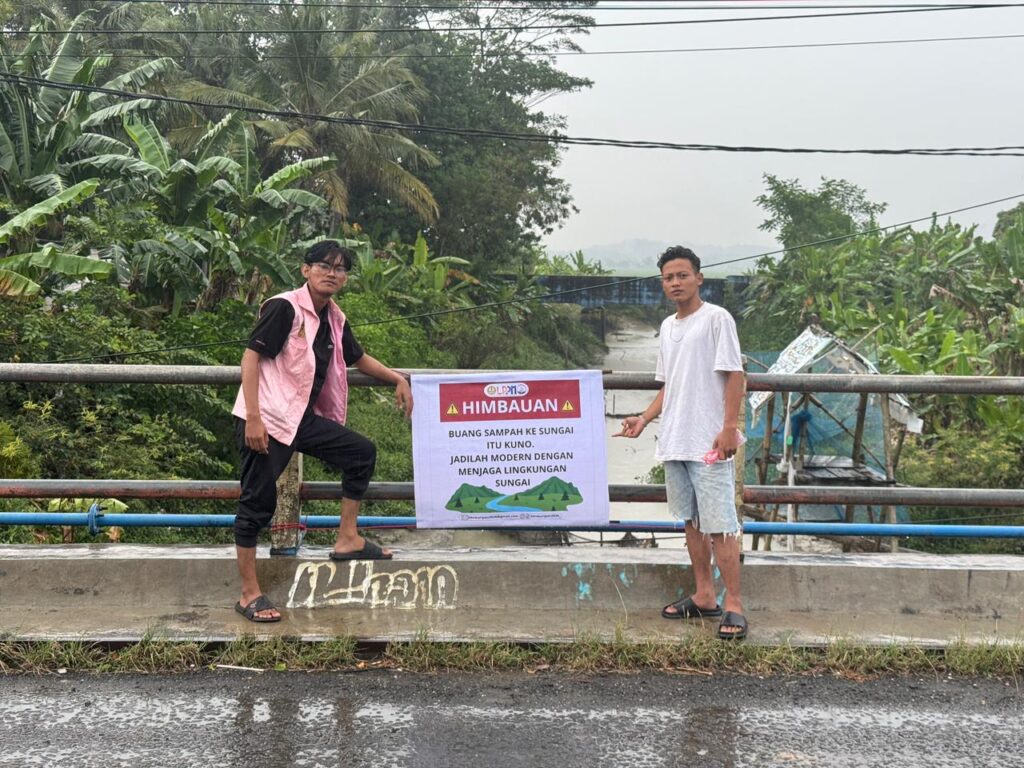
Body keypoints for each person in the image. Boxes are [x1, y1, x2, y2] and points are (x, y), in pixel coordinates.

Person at [231, 240, 413, 623]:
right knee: (257, 504)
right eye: (324, 266)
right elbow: (250, 358)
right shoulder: (284, 308)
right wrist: (253, 417)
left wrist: (397, 378)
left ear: (345, 277)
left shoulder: (333, 318)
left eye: (340, 268)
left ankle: (348, 538)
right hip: (267, 418)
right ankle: (249, 595)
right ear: (306, 270)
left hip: (302, 419)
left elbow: (358, 358)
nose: (332, 273)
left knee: (361, 454)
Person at [615, 245, 748, 640]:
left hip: (709, 442)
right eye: (668, 278)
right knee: (691, 523)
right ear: (662, 284)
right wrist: (644, 418)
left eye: (682, 275)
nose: (675, 282)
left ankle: (734, 604)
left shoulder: (716, 319)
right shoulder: (668, 327)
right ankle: (704, 595)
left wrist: (728, 427)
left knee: (721, 525)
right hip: (675, 439)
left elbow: (735, 374)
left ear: (698, 278)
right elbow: (669, 385)